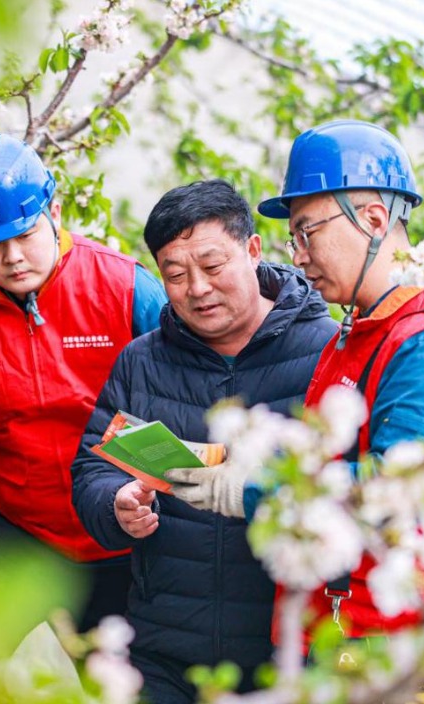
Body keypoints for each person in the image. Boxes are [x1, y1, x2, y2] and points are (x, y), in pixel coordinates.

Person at [71, 179, 337, 702]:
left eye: (213, 267)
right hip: (163, 651)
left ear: (253, 250)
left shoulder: (325, 348)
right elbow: (91, 470)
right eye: (175, 274)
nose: (197, 288)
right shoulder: (142, 361)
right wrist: (115, 503)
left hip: (282, 653)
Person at [255, 119, 424, 653]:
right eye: (292, 237)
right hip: (347, 641)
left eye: (307, 231)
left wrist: (256, 487)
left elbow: (403, 491)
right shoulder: (362, 329)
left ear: (372, 219)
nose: (297, 255)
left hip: (398, 654)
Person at [0, 132, 166, 632]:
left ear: (54, 213)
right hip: (23, 532)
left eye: (24, 234)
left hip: (122, 531)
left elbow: (187, 408)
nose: (11, 256)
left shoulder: (126, 287)